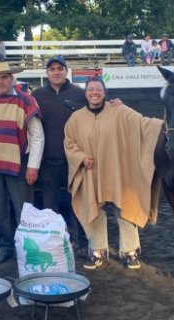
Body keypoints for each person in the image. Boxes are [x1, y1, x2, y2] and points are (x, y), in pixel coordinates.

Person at [64, 77, 162, 270]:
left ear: (104, 92)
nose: (94, 93)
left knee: (124, 207)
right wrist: (81, 157)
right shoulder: (76, 119)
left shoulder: (119, 110)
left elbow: (143, 124)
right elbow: (69, 143)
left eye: (98, 89)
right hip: (91, 172)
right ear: (85, 93)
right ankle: (98, 250)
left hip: (118, 170)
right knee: (95, 209)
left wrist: (168, 125)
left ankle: (130, 251)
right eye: (90, 89)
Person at [0, 61, 44, 265]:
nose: (0, 81)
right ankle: (4, 247)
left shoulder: (26, 101)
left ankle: (26, 248)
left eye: (4, 77)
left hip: (20, 163)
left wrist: (33, 165)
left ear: (11, 79)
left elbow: (37, 136)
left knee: (23, 209)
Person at [32, 56, 92, 259]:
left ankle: (81, 241)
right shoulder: (36, 95)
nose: (56, 72)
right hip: (48, 160)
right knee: (50, 204)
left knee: (76, 202)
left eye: (60, 68)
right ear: (47, 73)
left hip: (73, 160)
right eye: (52, 69)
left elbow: (98, 106)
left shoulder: (79, 94)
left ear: (66, 71)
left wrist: (115, 103)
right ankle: (54, 241)